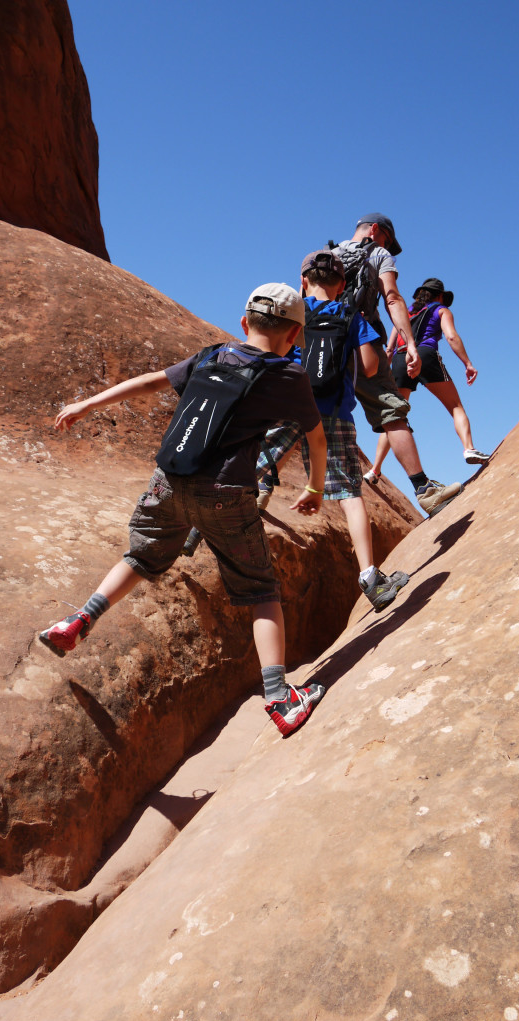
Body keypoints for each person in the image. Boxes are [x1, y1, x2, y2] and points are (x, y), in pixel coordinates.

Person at [39, 283, 329, 738]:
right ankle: (279, 699)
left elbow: (151, 381)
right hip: (226, 494)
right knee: (260, 590)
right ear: (294, 335)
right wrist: (314, 487)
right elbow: (317, 438)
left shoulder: (211, 356)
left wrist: (88, 403)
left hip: (168, 481)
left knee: (141, 556)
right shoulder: (289, 377)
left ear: (244, 322)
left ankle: (81, 618)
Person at [255, 250, 410, 613]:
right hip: (334, 413)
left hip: (290, 403)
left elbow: (274, 353)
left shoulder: (294, 313)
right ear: (342, 286)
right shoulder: (351, 315)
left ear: (303, 281)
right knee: (349, 494)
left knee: (256, 464)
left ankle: (200, 523)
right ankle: (370, 577)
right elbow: (369, 367)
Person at [329, 214, 461, 517]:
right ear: (375, 230)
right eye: (386, 239)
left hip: (321, 342)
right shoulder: (378, 254)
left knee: (303, 412)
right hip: (361, 340)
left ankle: (261, 485)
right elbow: (391, 298)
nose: (386, 246)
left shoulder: (326, 255)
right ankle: (425, 490)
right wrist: (410, 344)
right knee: (391, 411)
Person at [365, 278, 490, 482]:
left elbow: (389, 348)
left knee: (394, 418)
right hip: (424, 355)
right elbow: (451, 337)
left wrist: (386, 369)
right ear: (439, 296)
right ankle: (469, 448)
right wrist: (467, 363)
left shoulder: (404, 314)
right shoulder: (441, 310)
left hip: (400, 358)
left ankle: (374, 469)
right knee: (455, 406)